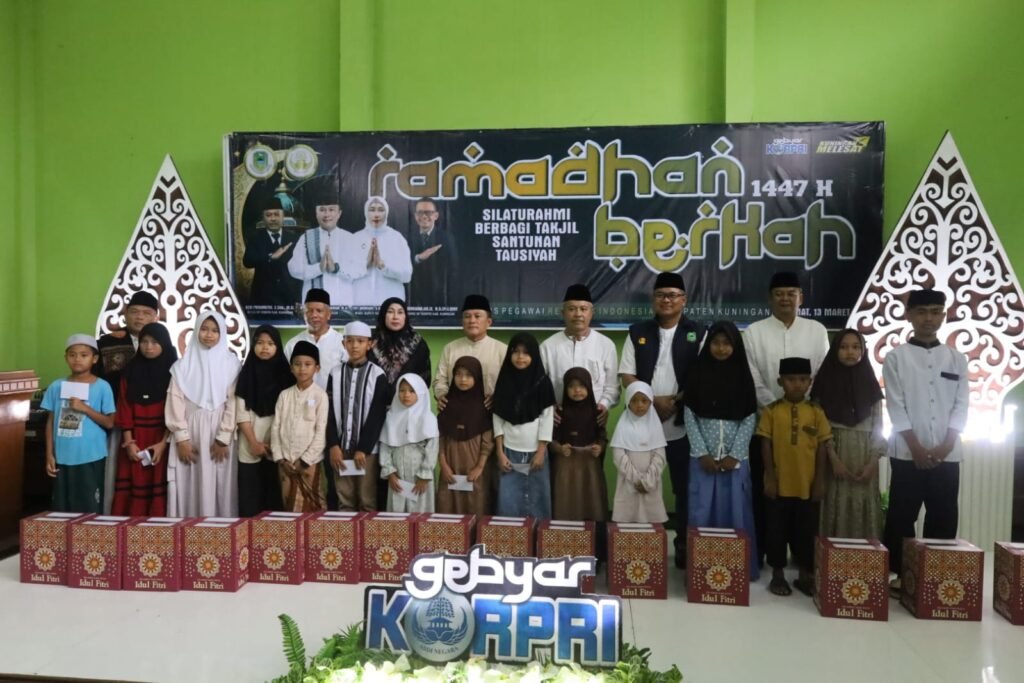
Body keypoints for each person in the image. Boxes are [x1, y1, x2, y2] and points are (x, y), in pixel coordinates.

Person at [883, 289, 969, 594]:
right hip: (907, 454)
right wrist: (916, 448)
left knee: (943, 516)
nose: (928, 319)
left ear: (944, 316)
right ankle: (901, 575)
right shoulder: (896, 358)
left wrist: (946, 446)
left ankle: (934, 577)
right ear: (909, 316)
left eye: (935, 312)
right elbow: (896, 406)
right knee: (901, 517)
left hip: (948, 454)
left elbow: (961, 405)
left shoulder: (956, 358)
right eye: (921, 312)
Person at [743, 271, 830, 564]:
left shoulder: (817, 331)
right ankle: (768, 555)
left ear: (800, 298)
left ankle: (802, 559)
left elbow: (821, 373)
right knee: (768, 493)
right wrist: (776, 408)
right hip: (765, 425)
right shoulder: (754, 332)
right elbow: (752, 376)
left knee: (804, 496)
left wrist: (800, 405)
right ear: (770, 298)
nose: (785, 299)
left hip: (807, 429)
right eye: (779, 294)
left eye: (791, 293)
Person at [619, 272, 702, 566]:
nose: (667, 300)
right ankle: (638, 543)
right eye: (661, 295)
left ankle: (683, 545)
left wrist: (674, 402)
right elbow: (627, 374)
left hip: (682, 421)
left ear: (684, 300)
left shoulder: (698, 332)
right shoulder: (637, 332)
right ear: (653, 299)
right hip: (643, 421)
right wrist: (653, 402)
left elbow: (703, 377)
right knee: (638, 485)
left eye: (672, 295)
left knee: (684, 488)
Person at [681, 321, 759, 579]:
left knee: (735, 512)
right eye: (716, 343)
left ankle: (735, 571)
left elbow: (749, 417)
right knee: (702, 511)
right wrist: (702, 452)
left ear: (736, 347)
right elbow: (689, 415)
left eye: (727, 344)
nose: (722, 348)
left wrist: (735, 454)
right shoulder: (698, 375)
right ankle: (701, 571)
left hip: (735, 461)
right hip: (702, 460)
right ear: (709, 345)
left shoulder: (743, 378)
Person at [757, 357, 832, 597]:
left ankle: (804, 574)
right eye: (790, 380)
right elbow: (765, 444)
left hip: (807, 486)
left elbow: (822, 448)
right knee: (776, 530)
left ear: (810, 382)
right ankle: (777, 574)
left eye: (802, 380)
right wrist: (770, 477)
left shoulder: (816, 412)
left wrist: (819, 481)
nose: (797, 384)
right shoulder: (771, 411)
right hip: (779, 485)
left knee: (806, 531)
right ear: (780, 382)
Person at [165, 311, 242, 517]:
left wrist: (224, 437)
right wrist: (182, 438)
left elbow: (234, 401)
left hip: (221, 431)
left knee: (221, 486)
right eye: (204, 329)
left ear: (222, 333)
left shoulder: (232, 364)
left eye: (215, 330)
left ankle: (220, 532)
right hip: (191, 433)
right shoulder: (181, 367)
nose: (209, 335)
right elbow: (175, 402)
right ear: (197, 330)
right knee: (191, 483)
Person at [811, 329, 886, 540]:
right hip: (834, 455)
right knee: (835, 504)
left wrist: (873, 462)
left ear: (863, 351)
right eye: (844, 347)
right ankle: (832, 558)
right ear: (835, 351)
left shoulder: (870, 384)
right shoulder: (824, 384)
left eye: (855, 347)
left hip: (865, 457)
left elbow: (878, 427)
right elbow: (819, 427)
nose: (850, 352)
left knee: (863, 505)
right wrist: (833, 459)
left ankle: (862, 558)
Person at [96, 290, 160, 513]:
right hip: (113, 420)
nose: (139, 317)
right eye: (134, 311)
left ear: (156, 316)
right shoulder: (106, 343)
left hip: (150, 424)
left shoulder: (160, 342)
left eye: (146, 313)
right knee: (114, 471)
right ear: (125, 313)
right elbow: (95, 381)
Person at [41, 335, 116, 513]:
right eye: (72, 355)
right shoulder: (56, 386)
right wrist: (49, 454)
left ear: (94, 359)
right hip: (62, 456)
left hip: (90, 455)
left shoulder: (102, 386)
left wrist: (85, 408)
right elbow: (51, 422)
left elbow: (110, 423)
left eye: (84, 355)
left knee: (89, 507)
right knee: (62, 508)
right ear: (66, 358)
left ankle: (90, 533)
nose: (77, 359)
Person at [111, 322, 177, 516]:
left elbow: (175, 410)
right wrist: (129, 442)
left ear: (164, 343)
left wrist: (163, 443)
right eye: (144, 342)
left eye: (155, 342)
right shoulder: (130, 371)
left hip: (161, 439)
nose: (148, 347)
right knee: (133, 484)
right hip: (134, 439)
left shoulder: (175, 373)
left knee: (158, 484)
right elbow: (124, 406)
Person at [326, 321, 389, 511]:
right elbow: (329, 412)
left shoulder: (377, 375)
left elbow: (377, 415)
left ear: (369, 344)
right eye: (350, 341)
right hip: (341, 448)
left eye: (360, 341)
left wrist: (363, 448)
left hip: (366, 452)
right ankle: (346, 531)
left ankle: (366, 532)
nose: (354, 346)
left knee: (366, 499)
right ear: (343, 343)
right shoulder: (335, 373)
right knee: (344, 500)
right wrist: (333, 445)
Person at [492, 333, 556, 519]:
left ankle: (538, 535)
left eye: (526, 353)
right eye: (516, 352)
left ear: (534, 355)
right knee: (509, 500)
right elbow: (498, 418)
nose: (520, 357)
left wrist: (541, 452)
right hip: (509, 452)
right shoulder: (504, 381)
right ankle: (511, 535)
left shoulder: (542, 383)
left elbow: (547, 419)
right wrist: (500, 452)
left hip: (536, 452)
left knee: (538, 499)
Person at [540, 283, 619, 426]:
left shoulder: (606, 345)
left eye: (583, 309)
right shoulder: (548, 346)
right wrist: (548, 407)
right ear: (563, 313)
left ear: (591, 312)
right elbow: (538, 385)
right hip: (557, 422)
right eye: (571, 309)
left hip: (594, 421)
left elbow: (612, 387)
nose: (578, 314)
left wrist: (604, 405)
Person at [235, 325, 293, 516]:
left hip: (276, 447)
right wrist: (254, 443)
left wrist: (273, 444)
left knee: (273, 499)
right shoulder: (246, 374)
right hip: (249, 445)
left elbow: (287, 415)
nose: (265, 347)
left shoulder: (286, 376)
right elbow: (241, 413)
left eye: (270, 343)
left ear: (278, 346)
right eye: (259, 343)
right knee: (250, 500)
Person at [270, 340, 329, 512]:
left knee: (313, 509)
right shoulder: (284, 395)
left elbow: (321, 432)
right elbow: (276, 428)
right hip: (285, 464)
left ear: (317, 368)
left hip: (309, 464)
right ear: (291, 368)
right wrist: (281, 459)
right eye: (297, 364)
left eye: (307, 364)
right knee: (289, 507)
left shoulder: (320, 396)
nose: (302, 369)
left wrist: (304, 461)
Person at [435, 356, 494, 516]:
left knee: (475, 503)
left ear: (477, 377)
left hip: (475, 465)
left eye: (469, 375)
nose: (463, 379)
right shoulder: (446, 404)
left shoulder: (484, 406)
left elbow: (487, 440)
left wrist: (479, 467)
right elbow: (440, 437)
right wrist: (443, 465)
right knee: (448, 504)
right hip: (450, 463)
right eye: (458, 374)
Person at [549, 367, 608, 522]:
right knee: (566, 499)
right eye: (571, 386)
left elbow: (602, 436)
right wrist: (559, 448)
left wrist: (600, 447)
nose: (577, 390)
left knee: (591, 498)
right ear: (565, 389)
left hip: (589, 465)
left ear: (589, 386)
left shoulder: (597, 412)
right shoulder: (559, 413)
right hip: (565, 464)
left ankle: (592, 533)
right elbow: (551, 439)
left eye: (581, 385)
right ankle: (564, 533)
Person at [287, 191, 365, 307]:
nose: (327, 214)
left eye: (331, 210)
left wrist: (336, 268)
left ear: (339, 213)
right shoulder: (306, 238)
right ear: (316, 213)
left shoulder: (350, 238)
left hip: (342, 303)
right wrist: (318, 268)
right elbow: (293, 269)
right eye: (322, 210)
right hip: (314, 306)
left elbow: (361, 269)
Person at [433, 294, 508, 409]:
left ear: (488, 322)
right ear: (462, 322)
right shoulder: (450, 348)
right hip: (456, 410)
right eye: (467, 316)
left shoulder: (502, 350)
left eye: (477, 316)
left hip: (491, 412)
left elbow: (510, 383)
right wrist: (441, 394)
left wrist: (498, 397)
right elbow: (440, 379)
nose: (472, 320)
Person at [379, 374, 439, 513]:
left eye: (412, 391)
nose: (406, 395)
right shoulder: (391, 417)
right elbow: (385, 447)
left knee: (420, 512)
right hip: (397, 474)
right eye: (402, 390)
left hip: (419, 475)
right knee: (397, 512)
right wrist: (390, 472)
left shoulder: (428, 418)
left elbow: (432, 449)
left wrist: (424, 475)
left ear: (421, 393)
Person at [610, 382, 668, 524]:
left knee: (650, 524)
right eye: (634, 400)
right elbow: (618, 456)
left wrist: (648, 481)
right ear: (628, 402)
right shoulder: (623, 426)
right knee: (627, 522)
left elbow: (660, 457)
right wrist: (636, 480)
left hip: (651, 483)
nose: (639, 405)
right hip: (628, 483)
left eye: (644, 400)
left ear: (650, 402)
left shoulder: (655, 426)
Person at [351, 196, 413, 307]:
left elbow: (407, 275)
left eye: (380, 210)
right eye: (372, 210)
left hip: (391, 304)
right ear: (366, 212)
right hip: (361, 303)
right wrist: (365, 264)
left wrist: (383, 266)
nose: (376, 214)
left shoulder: (396, 238)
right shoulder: (356, 238)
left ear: (386, 212)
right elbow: (345, 275)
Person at [284, 288, 347, 389]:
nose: (314, 315)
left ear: (329, 314)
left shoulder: (342, 343)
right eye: (309, 311)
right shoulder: (292, 344)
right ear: (304, 314)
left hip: (333, 398)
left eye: (319, 311)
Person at [243, 196, 301, 307]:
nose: (273, 219)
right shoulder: (255, 239)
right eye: (268, 215)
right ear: (263, 218)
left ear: (283, 216)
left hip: (289, 299)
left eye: (276, 214)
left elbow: (300, 269)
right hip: (262, 299)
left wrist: (299, 298)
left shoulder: (294, 239)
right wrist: (269, 257)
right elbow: (247, 261)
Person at [369, 297, 431, 397]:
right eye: (390, 312)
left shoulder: (417, 343)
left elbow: (424, 378)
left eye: (400, 312)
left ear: (405, 316)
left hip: (407, 401)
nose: (395, 317)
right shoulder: (370, 343)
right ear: (383, 315)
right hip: (373, 401)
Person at [407, 197, 457, 307]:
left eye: (428, 212)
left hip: (439, 298)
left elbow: (453, 269)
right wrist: (418, 258)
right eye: (420, 213)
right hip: (413, 298)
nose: (424, 216)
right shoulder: (407, 238)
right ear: (415, 216)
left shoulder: (446, 238)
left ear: (436, 216)